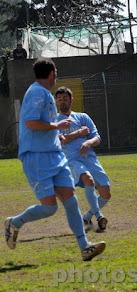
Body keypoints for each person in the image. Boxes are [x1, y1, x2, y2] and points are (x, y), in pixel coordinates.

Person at [4, 58, 106, 261]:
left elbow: (43, 126)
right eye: (56, 73)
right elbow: (31, 123)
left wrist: (56, 136)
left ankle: (85, 246)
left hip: (55, 155)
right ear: (51, 74)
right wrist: (56, 127)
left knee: (71, 200)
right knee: (50, 207)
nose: (56, 76)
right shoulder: (36, 92)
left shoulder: (45, 94)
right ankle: (14, 222)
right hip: (36, 157)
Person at [55, 87, 111, 232]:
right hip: (71, 161)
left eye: (65, 99)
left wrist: (88, 142)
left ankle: (85, 217)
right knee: (88, 180)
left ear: (71, 99)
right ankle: (99, 216)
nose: (62, 102)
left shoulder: (83, 117)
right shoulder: (55, 122)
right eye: (59, 99)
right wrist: (79, 133)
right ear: (56, 101)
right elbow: (60, 141)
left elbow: (97, 137)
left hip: (90, 159)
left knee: (105, 194)